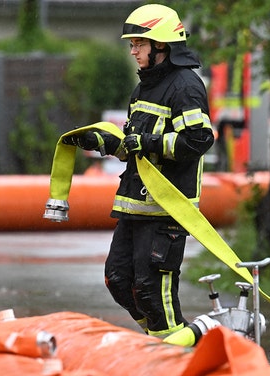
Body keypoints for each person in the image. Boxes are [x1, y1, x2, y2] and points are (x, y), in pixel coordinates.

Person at [62, 3, 214, 339]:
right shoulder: (144, 87)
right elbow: (135, 149)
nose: (132, 51)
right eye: (132, 45)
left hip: (166, 209)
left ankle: (176, 357)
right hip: (135, 206)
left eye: (138, 44)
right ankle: (164, 345)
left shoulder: (185, 86)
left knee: (151, 291)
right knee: (118, 281)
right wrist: (102, 142)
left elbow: (199, 140)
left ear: (161, 45)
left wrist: (146, 141)